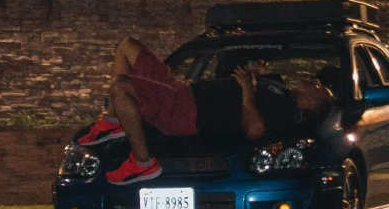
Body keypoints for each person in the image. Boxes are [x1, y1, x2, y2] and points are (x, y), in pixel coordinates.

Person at [75, 38, 334, 184]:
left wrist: (246, 88)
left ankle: (143, 162)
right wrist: (256, 77)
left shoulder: (288, 112)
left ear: (311, 104)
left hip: (189, 112)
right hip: (184, 92)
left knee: (122, 87)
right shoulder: (280, 90)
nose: (314, 80)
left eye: (320, 87)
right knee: (126, 46)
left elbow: (255, 130)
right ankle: (111, 121)